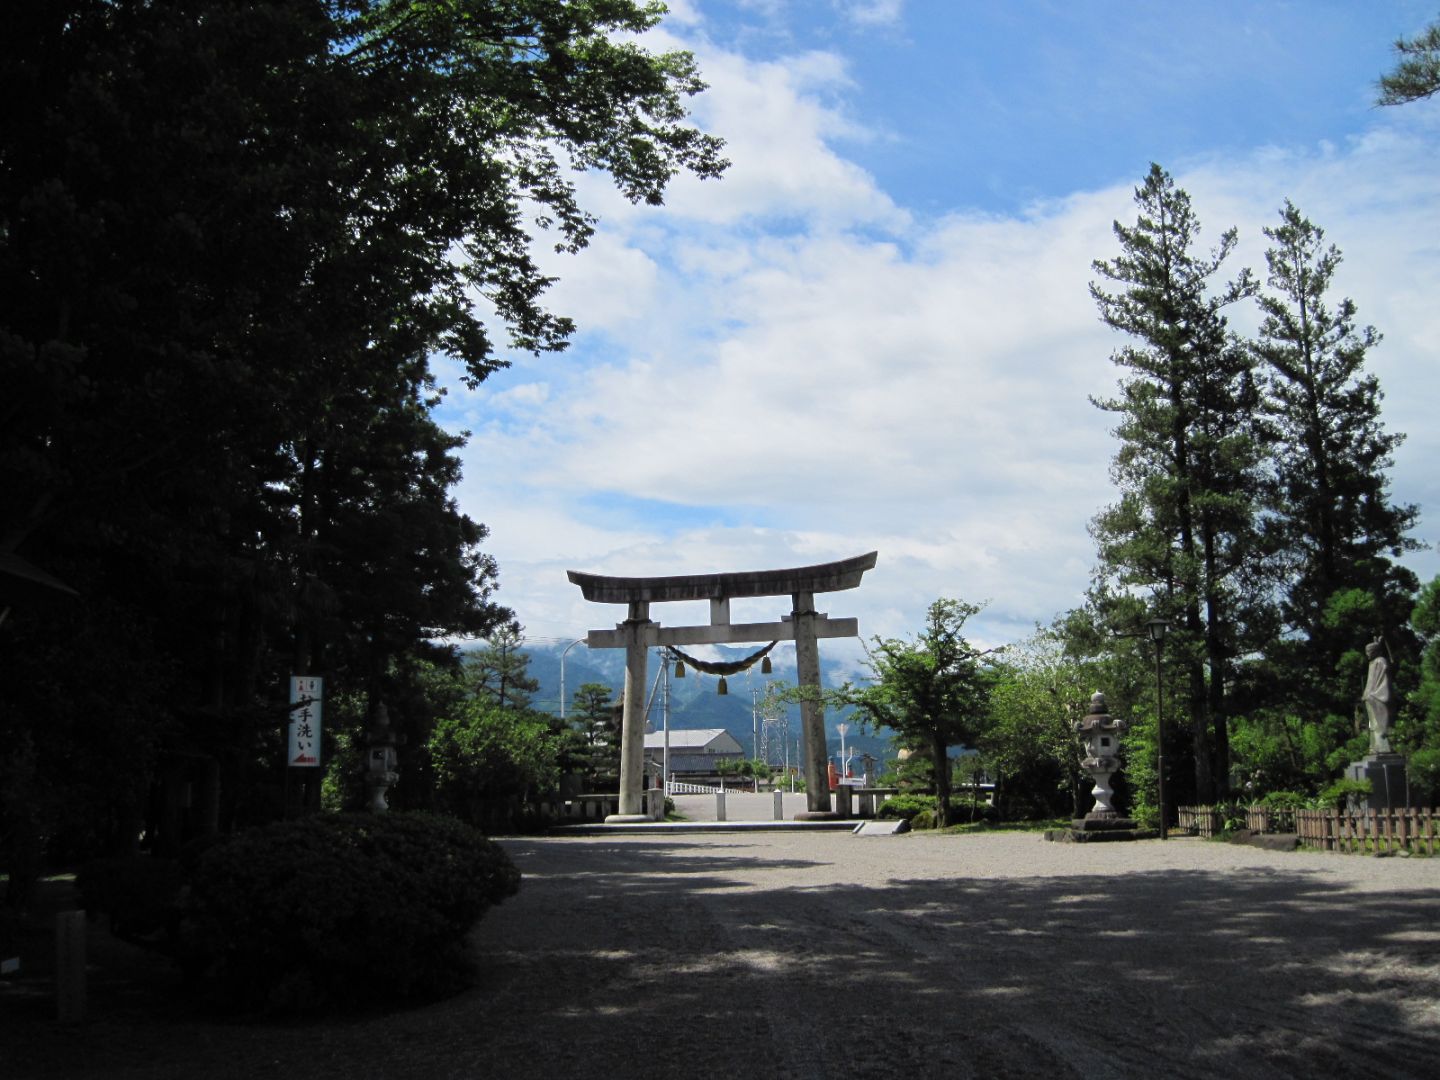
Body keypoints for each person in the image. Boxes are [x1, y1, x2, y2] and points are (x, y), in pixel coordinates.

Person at [1362, 638, 1393, 755]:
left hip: (1376, 696)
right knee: (1372, 725)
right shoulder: (1372, 663)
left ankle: (1383, 747)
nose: (1367, 654)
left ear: (1375, 651)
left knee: (1379, 723)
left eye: (1369, 651)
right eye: (1366, 652)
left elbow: (1382, 679)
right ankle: (1374, 747)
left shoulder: (1381, 661)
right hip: (1369, 697)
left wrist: (1374, 694)